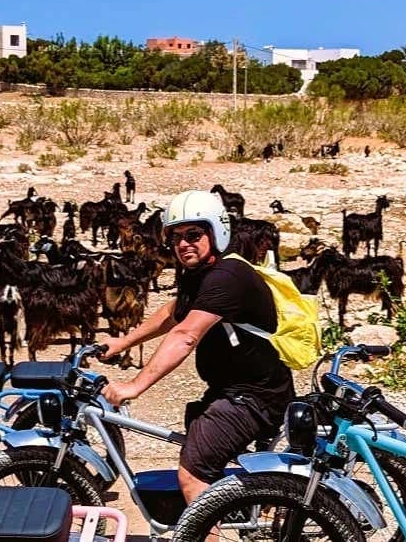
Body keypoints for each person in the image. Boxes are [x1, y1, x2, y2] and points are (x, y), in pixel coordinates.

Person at [99, 190, 293, 503]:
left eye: (193, 234)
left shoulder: (227, 276)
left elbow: (186, 334)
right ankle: (236, 508)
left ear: (216, 231)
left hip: (254, 397)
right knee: (202, 444)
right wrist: (124, 341)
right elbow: (172, 313)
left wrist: (134, 386)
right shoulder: (198, 273)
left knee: (193, 473)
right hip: (230, 390)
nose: (183, 244)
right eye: (175, 237)